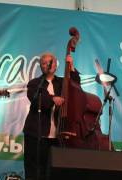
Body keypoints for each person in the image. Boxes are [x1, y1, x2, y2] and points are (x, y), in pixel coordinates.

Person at [23, 52, 80, 180]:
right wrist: (52, 99)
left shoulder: (62, 82)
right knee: (34, 169)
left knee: (53, 170)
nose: (48, 65)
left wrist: (71, 67)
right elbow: (35, 98)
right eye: (44, 63)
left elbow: (76, 85)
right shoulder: (34, 83)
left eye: (51, 62)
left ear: (56, 65)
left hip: (57, 135)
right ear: (41, 66)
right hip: (36, 134)